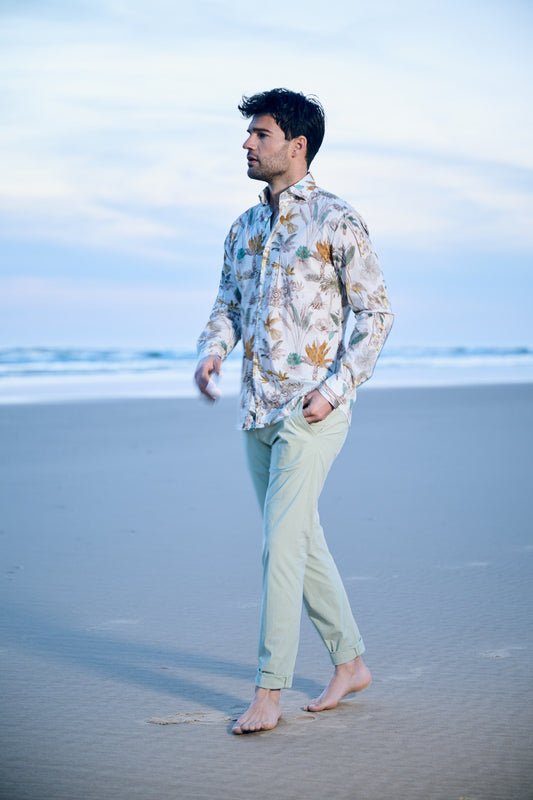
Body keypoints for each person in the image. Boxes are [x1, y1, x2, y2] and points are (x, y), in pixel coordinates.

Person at [194, 88, 393, 734]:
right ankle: (350, 662)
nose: (247, 144)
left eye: (261, 134)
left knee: (278, 546)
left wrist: (335, 389)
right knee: (300, 542)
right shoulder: (243, 228)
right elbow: (227, 304)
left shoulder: (336, 219)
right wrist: (212, 352)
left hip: (312, 410)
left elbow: (375, 315)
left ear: (296, 146)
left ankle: (268, 690)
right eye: (249, 134)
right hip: (255, 410)